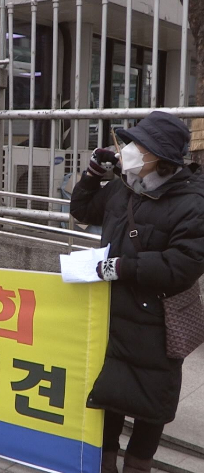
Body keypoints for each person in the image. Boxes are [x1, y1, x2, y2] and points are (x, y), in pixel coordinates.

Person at [70, 111, 204, 473]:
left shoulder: (193, 201)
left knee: (151, 404)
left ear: (158, 156)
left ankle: (138, 466)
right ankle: (104, 462)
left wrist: (122, 267)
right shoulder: (123, 186)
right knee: (109, 393)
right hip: (111, 312)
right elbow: (81, 210)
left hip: (157, 322)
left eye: (136, 145)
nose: (126, 150)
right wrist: (92, 174)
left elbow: (183, 266)